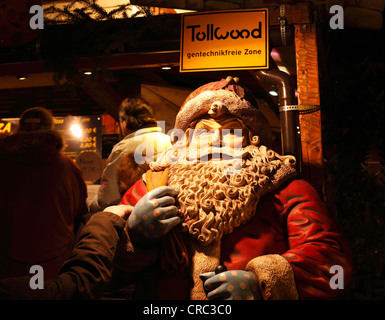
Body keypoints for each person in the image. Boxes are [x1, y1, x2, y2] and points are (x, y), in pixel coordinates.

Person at [114, 77, 354, 300]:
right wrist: (134, 236)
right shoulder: (149, 187)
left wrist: (262, 282)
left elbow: (333, 263)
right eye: (204, 131)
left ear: (252, 140)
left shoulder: (285, 188)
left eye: (230, 132)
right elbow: (102, 267)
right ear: (185, 140)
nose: (215, 141)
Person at [0, 107, 88, 281]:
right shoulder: (68, 168)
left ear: (19, 130)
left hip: (5, 267)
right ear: (51, 130)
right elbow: (78, 210)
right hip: (54, 266)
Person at [0, 204, 133, 299]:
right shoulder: (67, 168)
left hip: (4, 262)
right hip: (56, 259)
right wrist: (105, 220)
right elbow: (75, 289)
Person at [89, 98, 171, 213]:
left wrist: (93, 203)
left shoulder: (122, 149)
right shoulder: (171, 142)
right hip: (168, 209)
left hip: (133, 216)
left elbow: (108, 199)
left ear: (125, 124)